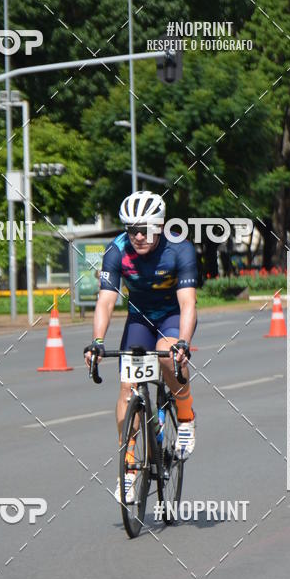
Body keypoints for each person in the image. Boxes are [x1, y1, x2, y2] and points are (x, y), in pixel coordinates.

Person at [84, 191, 198, 503]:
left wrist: (184, 343)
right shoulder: (117, 250)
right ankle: (131, 465)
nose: (137, 236)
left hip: (171, 318)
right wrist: (97, 342)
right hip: (139, 320)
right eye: (131, 229)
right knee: (126, 389)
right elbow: (106, 302)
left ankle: (186, 418)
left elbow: (188, 303)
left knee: (168, 355)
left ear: (160, 226)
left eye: (144, 229)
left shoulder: (179, 249)